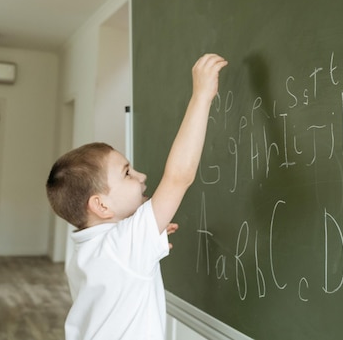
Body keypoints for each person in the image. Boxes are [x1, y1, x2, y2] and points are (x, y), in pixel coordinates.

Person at [46, 53, 228, 340]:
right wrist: (202, 96)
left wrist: (145, 238)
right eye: (128, 173)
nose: (142, 177)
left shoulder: (86, 252)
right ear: (101, 205)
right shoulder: (122, 247)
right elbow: (179, 177)